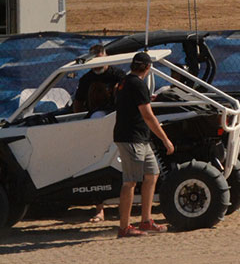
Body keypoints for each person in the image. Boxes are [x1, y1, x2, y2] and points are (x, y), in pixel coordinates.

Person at [113, 51, 174, 238]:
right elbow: (148, 116)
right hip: (132, 138)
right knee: (130, 181)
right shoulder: (136, 84)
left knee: (152, 174)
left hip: (139, 137)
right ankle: (124, 227)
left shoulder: (125, 82)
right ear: (147, 68)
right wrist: (165, 139)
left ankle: (146, 220)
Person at [72, 43, 125, 223]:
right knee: (96, 165)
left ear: (106, 56)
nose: (97, 64)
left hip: (118, 121)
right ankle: (99, 209)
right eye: (94, 60)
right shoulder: (86, 79)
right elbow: (78, 103)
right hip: (96, 124)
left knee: (121, 165)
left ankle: (122, 206)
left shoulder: (118, 74)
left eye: (100, 59)